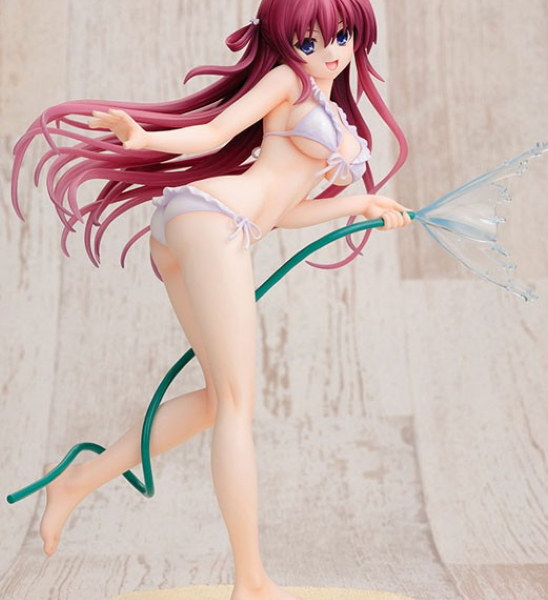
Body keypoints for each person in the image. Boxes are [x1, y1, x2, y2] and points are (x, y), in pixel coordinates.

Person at [11, 1, 411, 599]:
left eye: (341, 36)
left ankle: (76, 482)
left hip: (203, 224)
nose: (329, 52)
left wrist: (361, 204)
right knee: (237, 407)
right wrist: (144, 138)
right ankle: (252, 582)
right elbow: (217, 133)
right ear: (284, 43)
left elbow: (281, 211)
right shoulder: (288, 82)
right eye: (309, 41)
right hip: (212, 219)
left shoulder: (324, 103)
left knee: (216, 401)